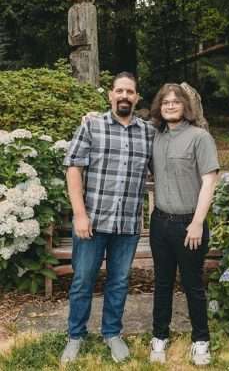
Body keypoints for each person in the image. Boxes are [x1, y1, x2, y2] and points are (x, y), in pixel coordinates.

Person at [61, 72, 155, 364]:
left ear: (137, 97)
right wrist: (79, 214)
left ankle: (112, 333)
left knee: (118, 282)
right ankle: (75, 337)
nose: (124, 96)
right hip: (92, 222)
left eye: (130, 92)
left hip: (127, 225)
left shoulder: (149, 133)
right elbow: (73, 168)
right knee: (82, 281)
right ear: (110, 95)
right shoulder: (92, 125)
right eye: (119, 91)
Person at [146, 83, 219, 366]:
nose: (171, 105)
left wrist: (198, 222)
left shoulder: (200, 137)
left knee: (193, 285)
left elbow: (209, 181)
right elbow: (123, 125)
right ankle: (159, 337)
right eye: (166, 102)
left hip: (190, 225)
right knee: (162, 283)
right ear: (159, 107)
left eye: (176, 101)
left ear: (185, 106)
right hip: (160, 223)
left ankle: (201, 340)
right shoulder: (155, 136)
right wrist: (91, 117)